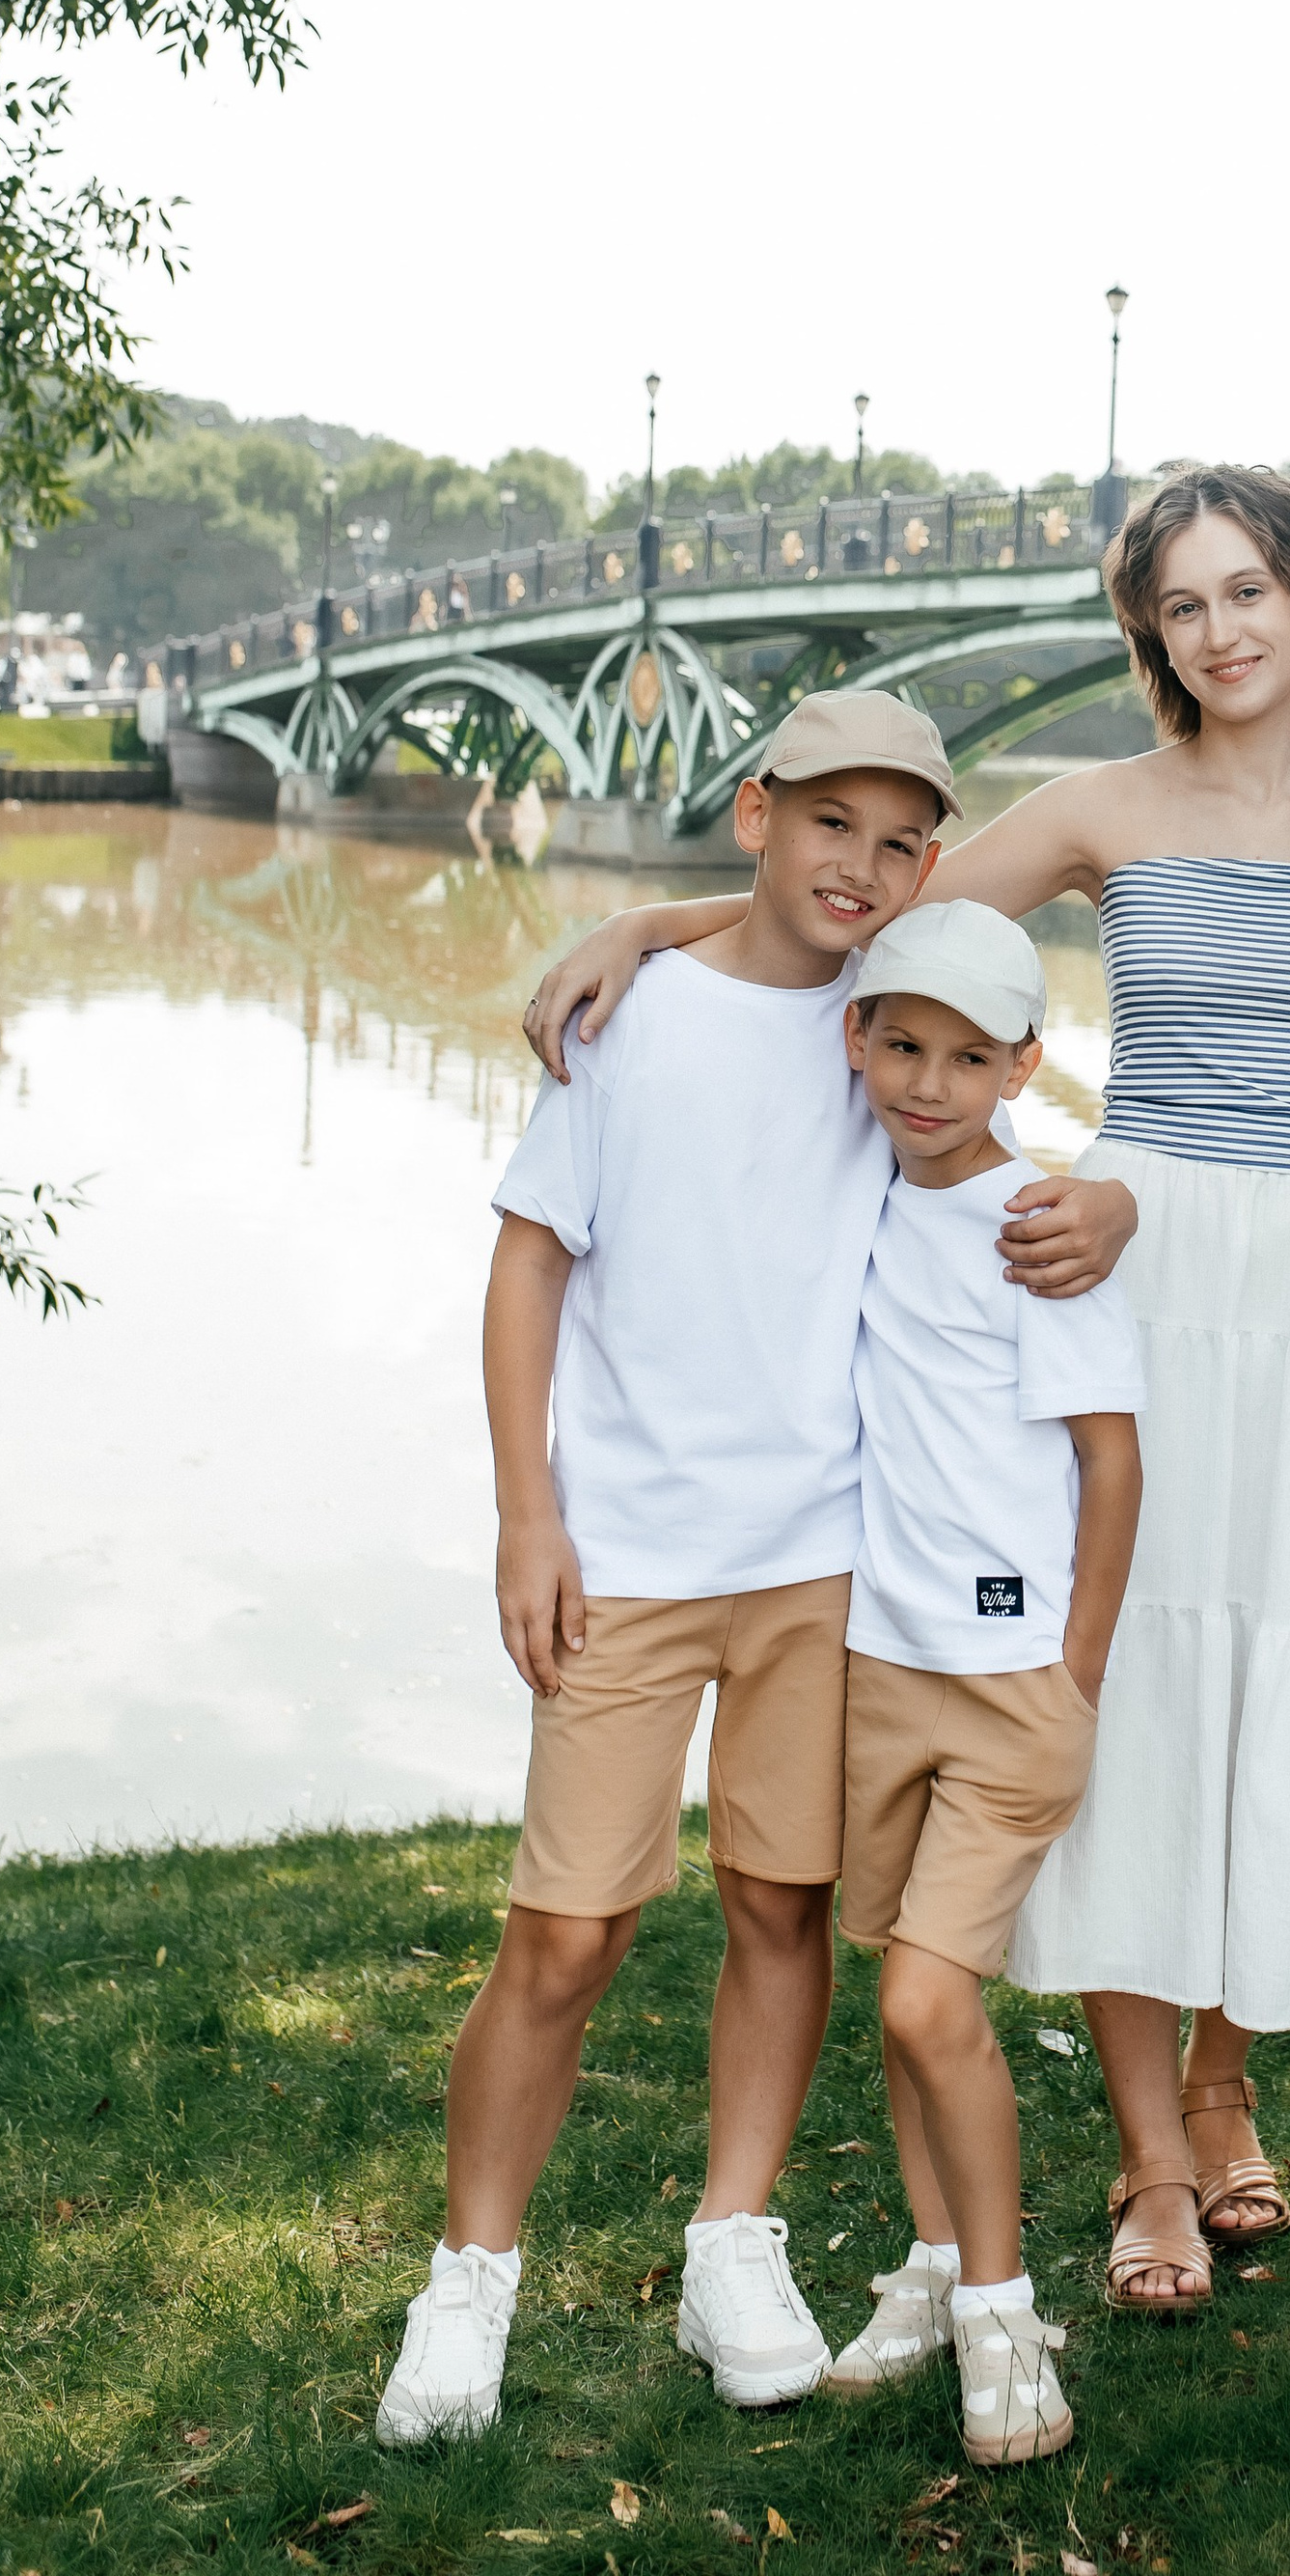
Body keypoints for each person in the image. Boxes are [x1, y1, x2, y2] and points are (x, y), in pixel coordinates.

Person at [527, 463, 1290, 2316]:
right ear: (1152, 637)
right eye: (1181, 606)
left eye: (1253, 589)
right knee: (1146, 1680)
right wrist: (654, 928)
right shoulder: (1104, 806)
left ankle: (1230, 2079)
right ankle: (1150, 2163)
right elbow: (870, 923)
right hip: (1125, 1244)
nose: (1222, 629)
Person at [376, 695, 1137, 2450]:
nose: (857, 866)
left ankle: (738, 2230)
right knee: (565, 1936)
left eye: (897, 841)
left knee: (781, 1911)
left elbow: (1036, 1120)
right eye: (828, 825)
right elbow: (527, 1267)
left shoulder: (891, 1032)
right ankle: (469, 2278)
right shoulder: (626, 1018)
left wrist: (1127, 1202)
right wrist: (525, 1512)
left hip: (827, 1569)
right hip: (629, 1558)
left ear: (930, 868)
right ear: (754, 814)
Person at [821, 901, 1143, 2466]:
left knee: (927, 1996)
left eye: (968, 1057)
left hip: (1014, 1682)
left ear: (1023, 1062)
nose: (929, 1084)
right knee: (897, 1991)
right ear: (859, 1044)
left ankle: (1008, 2317)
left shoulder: (1041, 1226)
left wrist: (1073, 1673)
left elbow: (1111, 1461)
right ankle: (938, 2261)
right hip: (881, 1669)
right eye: (902, 1047)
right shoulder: (853, 1198)